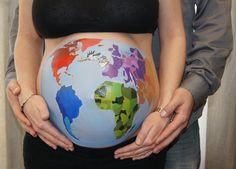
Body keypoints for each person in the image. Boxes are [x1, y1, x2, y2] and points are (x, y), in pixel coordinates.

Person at [5, 0, 233, 169]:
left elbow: (174, 35)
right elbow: (26, 36)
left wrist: (163, 113)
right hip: (51, 137)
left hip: (138, 143)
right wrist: (26, 97)